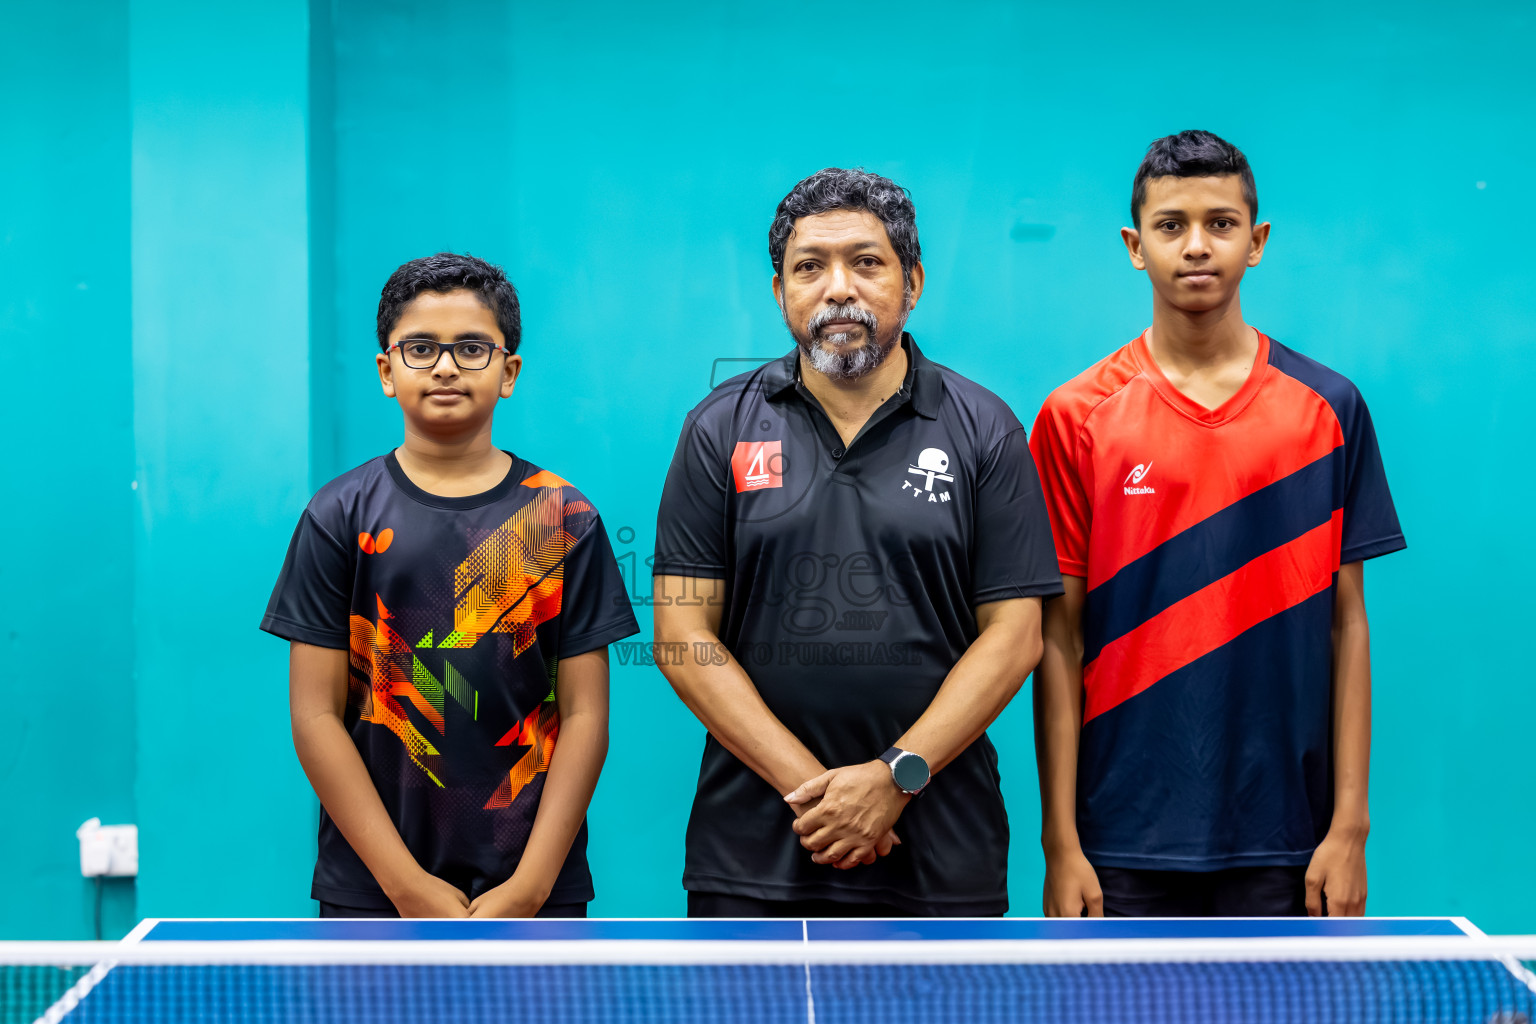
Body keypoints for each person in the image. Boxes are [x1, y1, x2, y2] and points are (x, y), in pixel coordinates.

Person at [653, 168, 1062, 917]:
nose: (838, 287)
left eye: (866, 263)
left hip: (942, 852)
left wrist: (894, 776)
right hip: (756, 851)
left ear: (913, 283)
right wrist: (816, 793)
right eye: (810, 266)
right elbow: (682, 635)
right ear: (780, 293)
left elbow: (1015, 637)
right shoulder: (717, 428)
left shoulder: (984, 428)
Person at [1029, 131, 1405, 917]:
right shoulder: (1076, 416)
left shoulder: (1328, 408)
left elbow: (1348, 625)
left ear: (1256, 241)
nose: (1196, 246)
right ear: (1135, 246)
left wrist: (1351, 826)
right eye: (1170, 226)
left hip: (1291, 837)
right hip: (1118, 837)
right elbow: (1057, 640)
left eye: (1221, 223)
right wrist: (1060, 843)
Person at [261, 253, 638, 918]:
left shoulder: (561, 517)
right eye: (420, 348)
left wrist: (531, 886)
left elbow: (586, 717)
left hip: (533, 890)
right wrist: (404, 885)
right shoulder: (338, 516)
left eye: (470, 347)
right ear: (386, 370)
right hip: (374, 891)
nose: (444, 366)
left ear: (509, 372)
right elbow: (315, 716)